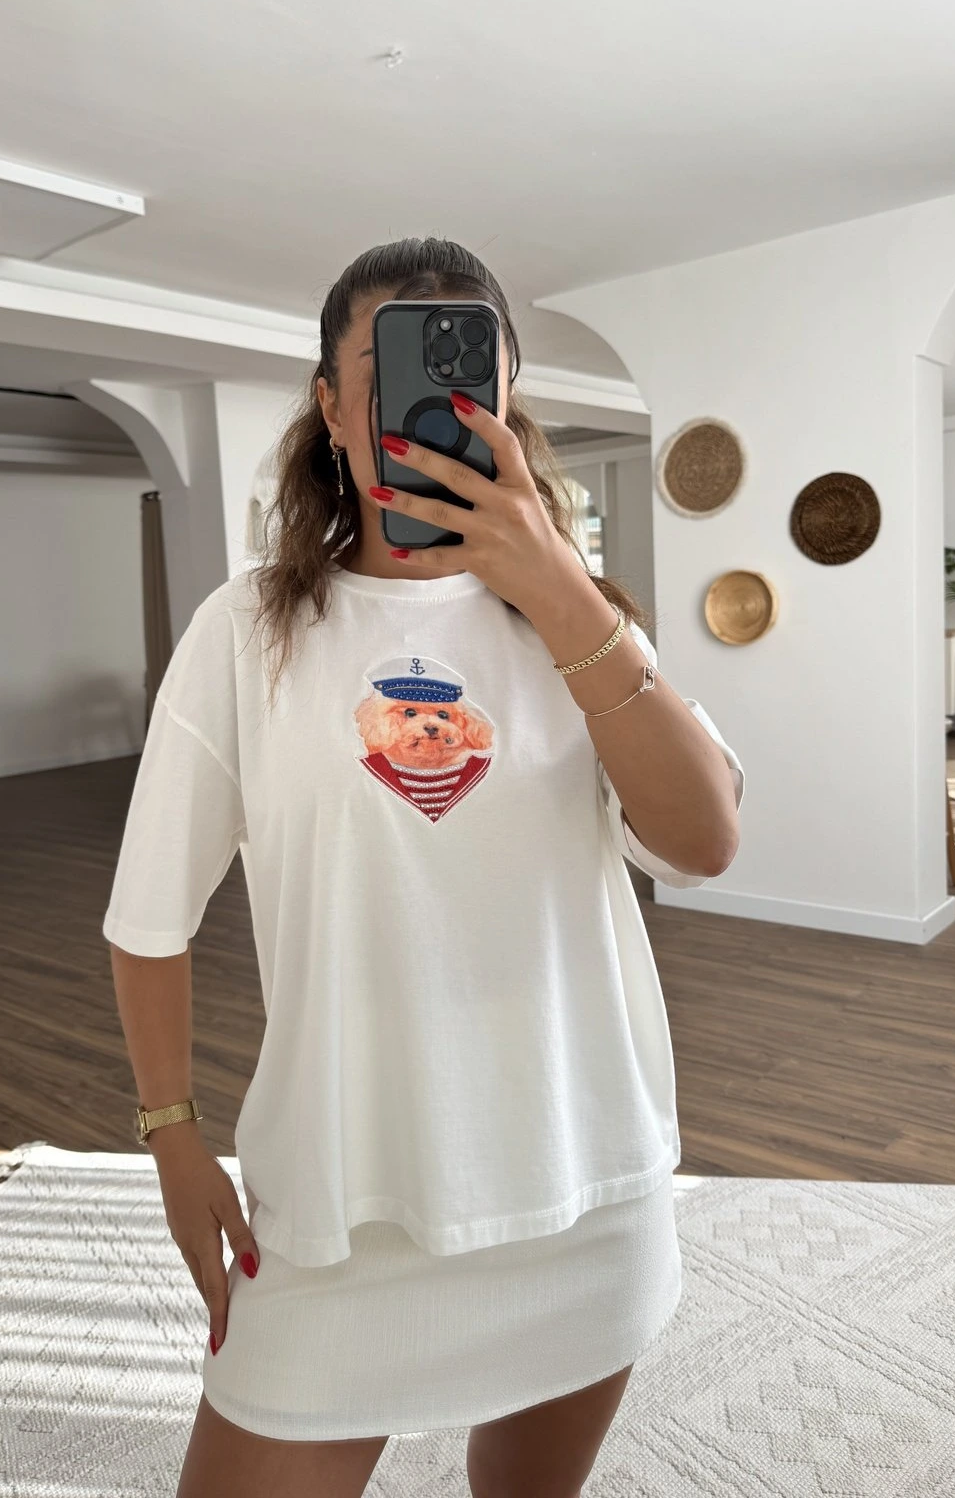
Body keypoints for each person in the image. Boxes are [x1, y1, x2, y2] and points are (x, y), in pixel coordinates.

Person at [104, 237, 745, 1498]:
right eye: (392, 370)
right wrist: (172, 1136)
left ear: (508, 402)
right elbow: (147, 919)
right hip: (341, 1209)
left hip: (585, 1183)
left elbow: (704, 841)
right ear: (335, 407)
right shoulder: (246, 633)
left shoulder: (584, 624)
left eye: (472, 377)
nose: (437, 407)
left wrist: (562, 595)